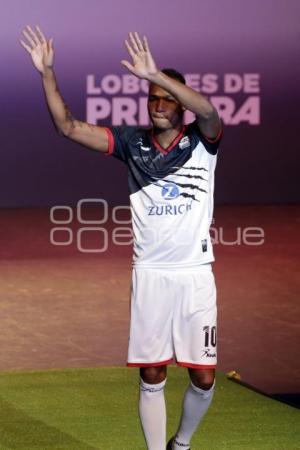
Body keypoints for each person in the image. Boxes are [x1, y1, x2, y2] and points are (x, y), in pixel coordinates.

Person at [20, 26, 222, 450]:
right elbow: (69, 127)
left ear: (180, 104)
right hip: (150, 273)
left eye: (168, 99)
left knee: (203, 378)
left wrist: (159, 77)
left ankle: (181, 443)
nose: (159, 105)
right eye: (153, 99)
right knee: (152, 374)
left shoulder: (203, 140)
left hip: (195, 274)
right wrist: (47, 74)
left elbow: (206, 110)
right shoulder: (132, 143)